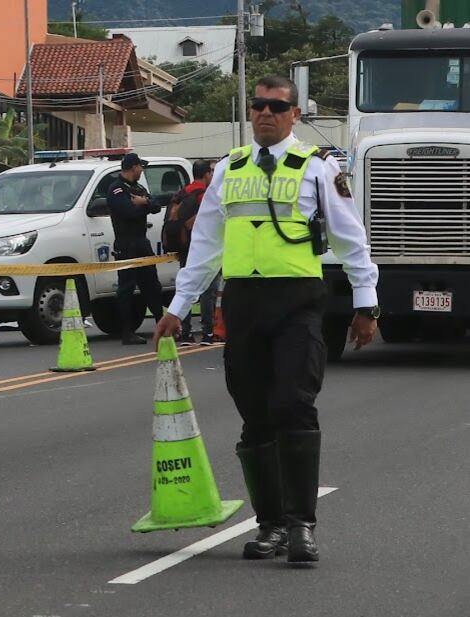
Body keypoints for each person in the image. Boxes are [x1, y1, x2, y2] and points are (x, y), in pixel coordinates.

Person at [154, 75, 379, 564]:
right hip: (244, 306)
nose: (265, 113)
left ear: (295, 114)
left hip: (297, 304)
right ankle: (271, 524)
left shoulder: (317, 167)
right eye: (258, 105)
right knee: (255, 415)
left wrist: (366, 305)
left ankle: (301, 526)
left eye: (276, 107)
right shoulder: (229, 168)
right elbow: (206, 244)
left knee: (293, 405)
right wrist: (177, 308)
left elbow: (350, 239)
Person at [108, 152, 166, 345]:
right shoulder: (117, 189)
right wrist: (144, 206)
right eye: (140, 167)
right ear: (133, 167)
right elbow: (128, 212)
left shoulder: (139, 188)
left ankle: (161, 324)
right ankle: (127, 331)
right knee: (126, 288)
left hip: (142, 242)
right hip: (126, 243)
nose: (142, 170)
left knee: (152, 285)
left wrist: (144, 202)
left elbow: (156, 206)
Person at [164, 159, 220, 346]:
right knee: (207, 291)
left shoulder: (182, 193)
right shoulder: (204, 194)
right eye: (211, 172)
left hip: (182, 246)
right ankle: (207, 332)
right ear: (206, 174)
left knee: (185, 286)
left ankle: (185, 332)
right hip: (200, 246)